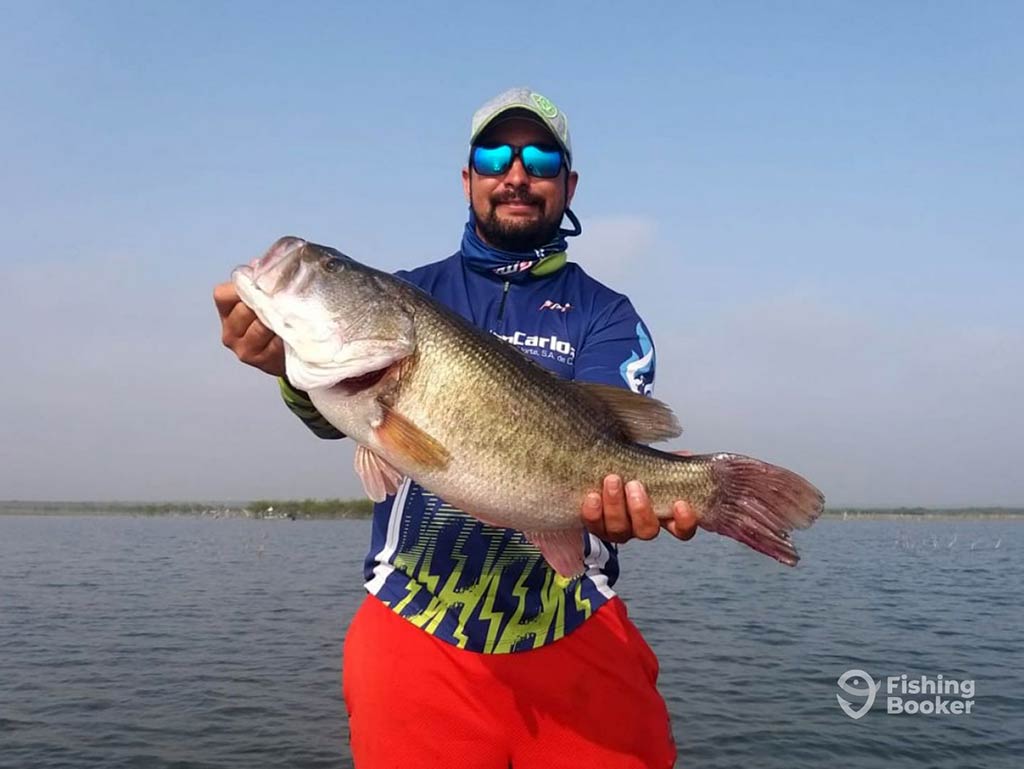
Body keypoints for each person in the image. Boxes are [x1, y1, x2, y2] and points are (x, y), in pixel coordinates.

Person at [214, 87, 698, 768]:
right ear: (468, 177)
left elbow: (615, 438)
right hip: (415, 628)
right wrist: (288, 371)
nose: (517, 173)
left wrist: (635, 494)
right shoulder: (412, 291)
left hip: (572, 620)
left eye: (541, 158)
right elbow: (335, 416)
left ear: (569, 183)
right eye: (495, 154)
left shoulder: (608, 316)